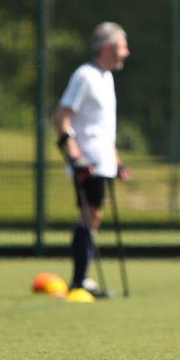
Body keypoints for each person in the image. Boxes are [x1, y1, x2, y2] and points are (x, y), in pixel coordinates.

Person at [53, 22, 131, 298]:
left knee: (94, 216)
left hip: (103, 160)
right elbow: (61, 117)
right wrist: (74, 155)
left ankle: (82, 278)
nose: (127, 52)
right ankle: (79, 280)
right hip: (87, 160)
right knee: (89, 215)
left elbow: (104, 127)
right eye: (123, 46)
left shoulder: (106, 78)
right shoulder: (84, 76)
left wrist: (117, 161)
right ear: (107, 47)